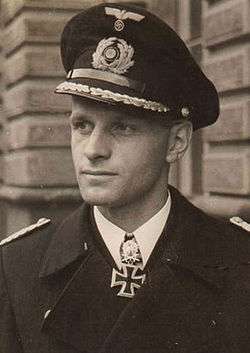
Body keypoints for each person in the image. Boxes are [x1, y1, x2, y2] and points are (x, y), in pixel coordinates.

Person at [0, 3, 249, 353]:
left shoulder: (240, 262)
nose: (93, 149)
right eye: (82, 125)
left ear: (176, 142)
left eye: (122, 127)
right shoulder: (18, 267)